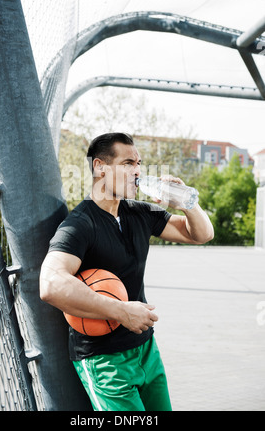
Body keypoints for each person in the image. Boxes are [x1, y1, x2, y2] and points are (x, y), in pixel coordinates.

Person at [40, 132, 214, 412]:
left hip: (146, 349)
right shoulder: (79, 225)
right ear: (100, 167)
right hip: (104, 360)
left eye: (139, 163)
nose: (138, 171)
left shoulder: (139, 213)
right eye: (128, 163)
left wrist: (187, 203)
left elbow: (202, 234)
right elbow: (50, 284)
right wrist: (120, 311)